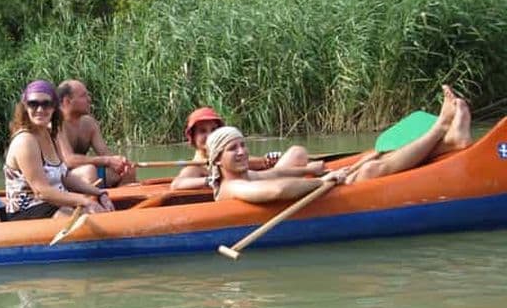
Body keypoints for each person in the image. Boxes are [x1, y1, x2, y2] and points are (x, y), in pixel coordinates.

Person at [206, 85, 472, 203]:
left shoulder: (244, 174)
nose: (241, 152)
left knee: (367, 161)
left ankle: (448, 143)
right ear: (217, 159)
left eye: (242, 145)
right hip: (306, 199)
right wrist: (322, 182)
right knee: (369, 172)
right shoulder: (235, 186)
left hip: (315, 187)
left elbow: (275, 174)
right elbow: (275, 191)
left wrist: (322, 171)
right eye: (233, 149)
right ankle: (440, 129)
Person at [3, 79, 114, 220]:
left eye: (46, 104)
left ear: (54, 107)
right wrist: (84, 200)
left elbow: (65, 176)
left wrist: (99, 193)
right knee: (89, 219)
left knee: (98, 214)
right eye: (33, 104)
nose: (40, 110)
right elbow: (41, 191)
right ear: (25, 107)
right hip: (30, 210)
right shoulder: (25, 140)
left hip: (54, 204)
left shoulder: (51, 135)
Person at [171, 106, 322, 190]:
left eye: (214, 130)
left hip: (257, 181)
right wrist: (210, 180)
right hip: (250, 189)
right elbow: (177, 184)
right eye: (203, 131)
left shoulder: (231, 156)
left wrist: (270, 160)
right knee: (297, 154)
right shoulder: (195, 167)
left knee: (297, 152)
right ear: (193, 138)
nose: (210, 135)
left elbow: (260, 163)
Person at [56, 79, 137, 187]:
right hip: (60, 177)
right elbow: (69, 161)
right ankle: (92, 202)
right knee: (89, 171)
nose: (89, 99)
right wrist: (107, 160)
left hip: (86, 173)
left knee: (127, 171)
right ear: (67, 101)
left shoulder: (89, 123)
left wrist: (119, 162)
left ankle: (120, 202)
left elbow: (105, 154)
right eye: (83, 96)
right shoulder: (56, 124)